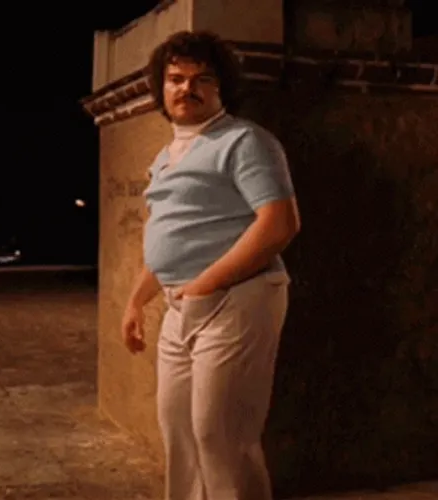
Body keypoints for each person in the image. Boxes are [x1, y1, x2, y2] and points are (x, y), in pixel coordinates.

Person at [120, 31, 301, 500]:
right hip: (181, 304)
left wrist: (205, 284)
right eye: (175, 79)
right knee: (178, 430)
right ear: (161, 88)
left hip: (239, 298)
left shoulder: (245, 141)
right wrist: (136, 301)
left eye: (202, 79)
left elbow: (280, 223)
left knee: (220, 435)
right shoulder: (166, 156)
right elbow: (171, 236)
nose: (187, 88)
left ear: (223, 88)